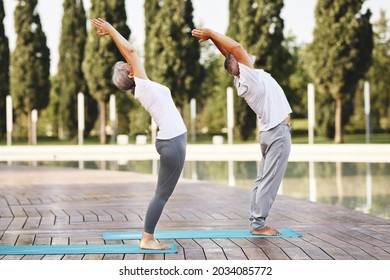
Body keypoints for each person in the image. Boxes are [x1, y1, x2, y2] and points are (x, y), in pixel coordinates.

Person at [91, 18, 187, 250]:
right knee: (162, 194)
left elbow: (130, 53)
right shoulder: (143, 85)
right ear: (131, 75)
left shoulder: (144, 85)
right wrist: (112, 30)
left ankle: (148, 236)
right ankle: (147, 238)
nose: (130, 61)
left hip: (171, 141)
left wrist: (114, 35)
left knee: (163, 193)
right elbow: (131, 50)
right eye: (127, 64)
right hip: (172, 143)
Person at [192, 28, 292, 236]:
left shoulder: (244, 77)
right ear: (239, 66)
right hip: (278, 133)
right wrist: (210, 32)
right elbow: (236, 48)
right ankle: (258, 224)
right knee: (270, 180)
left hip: (269, 133)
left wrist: (212, 40)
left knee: (262, 178)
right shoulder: (251, 78)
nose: (242, 55)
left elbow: (229, 53)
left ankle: (256, 220)